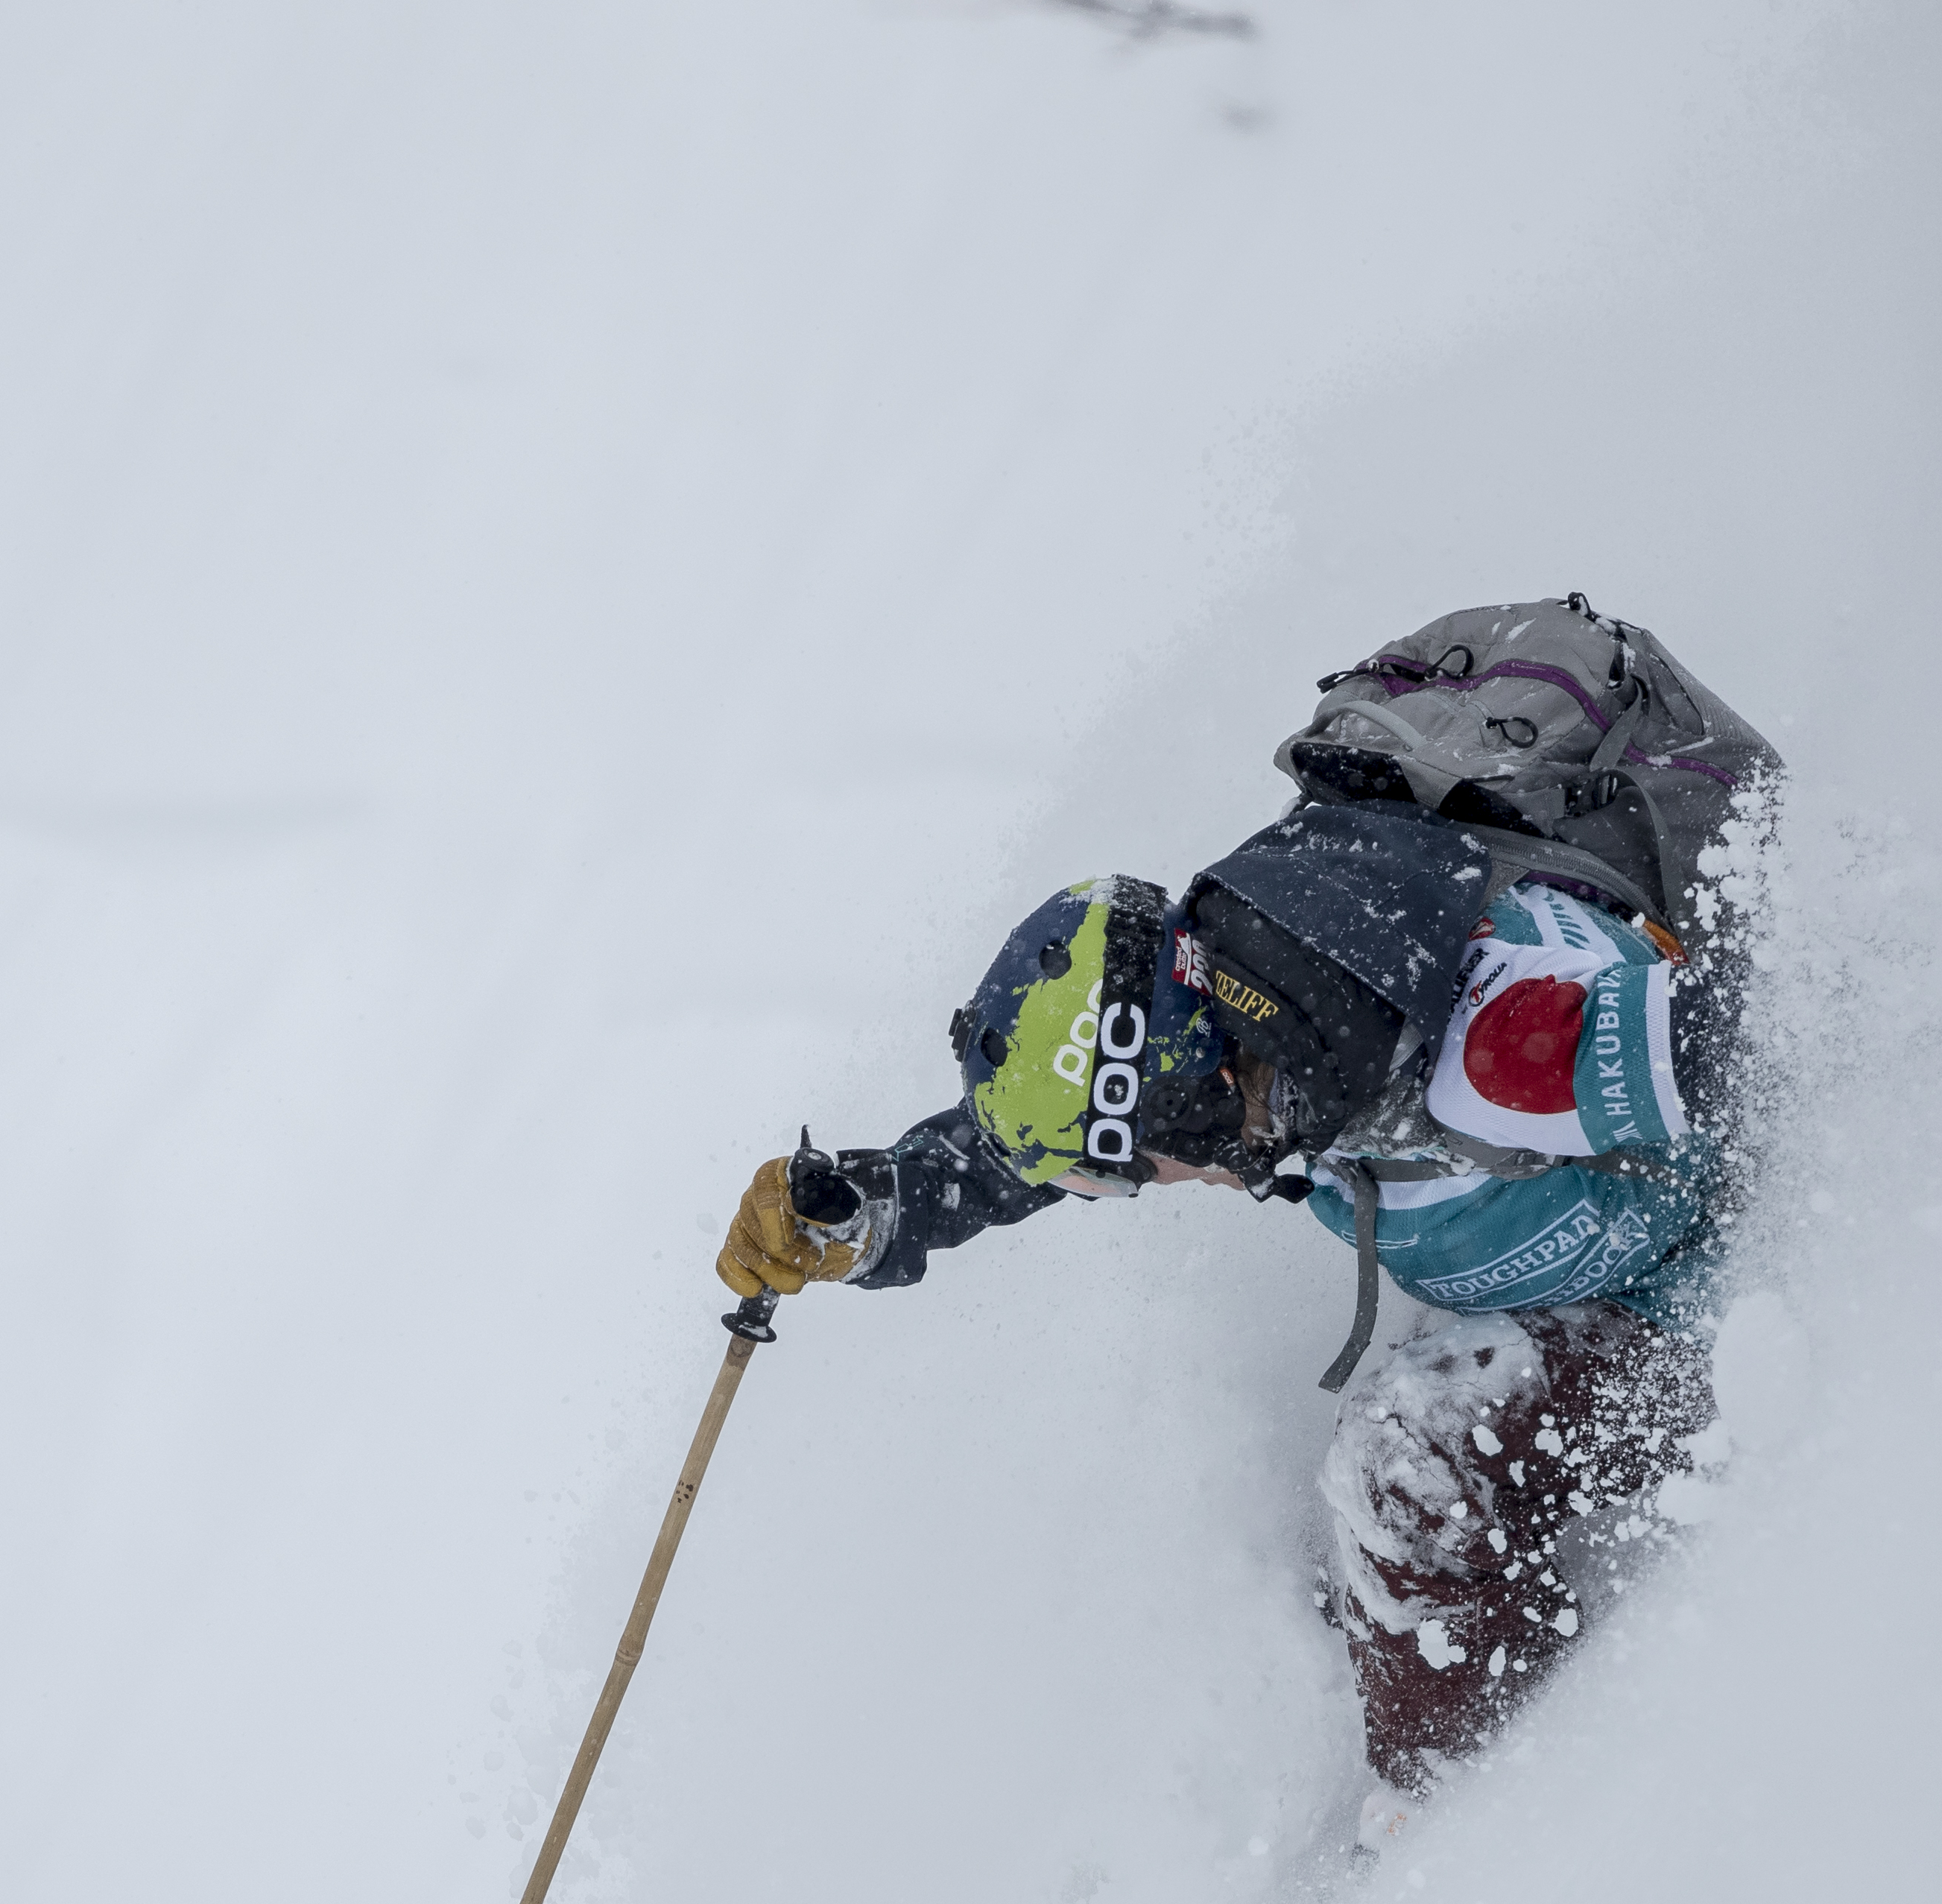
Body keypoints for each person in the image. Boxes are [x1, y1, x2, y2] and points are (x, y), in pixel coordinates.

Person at [714, 600, 1778, 1832]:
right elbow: (1057, 1133)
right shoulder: (1277, 1008)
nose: (1142, 1188)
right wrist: (888, 1202)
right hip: (1591, 1273)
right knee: (1373, 1530)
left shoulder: (1485, 1047)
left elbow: (1777, 1028)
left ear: (1191, 1091)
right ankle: (1433, 1711)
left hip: (1720, 1301)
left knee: (1406, 1465)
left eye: (1125, 1168)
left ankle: (1470, 1857)